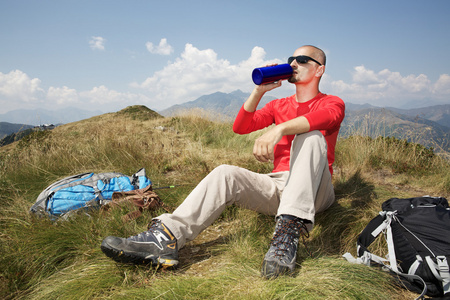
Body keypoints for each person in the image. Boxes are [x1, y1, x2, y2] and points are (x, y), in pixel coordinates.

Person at [101, 45, 345, 279]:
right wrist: (259, 91)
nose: (293, 63)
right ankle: (166, 238)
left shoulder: (332, 102)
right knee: (225, 173)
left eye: (302, 60)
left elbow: (325, 118)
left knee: (311, 136)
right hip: (279, 185)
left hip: (315, 190)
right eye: (291, 58)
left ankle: (285, 238)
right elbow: (241, 127)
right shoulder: (278, 105)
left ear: (319, 69)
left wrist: (279, 129)